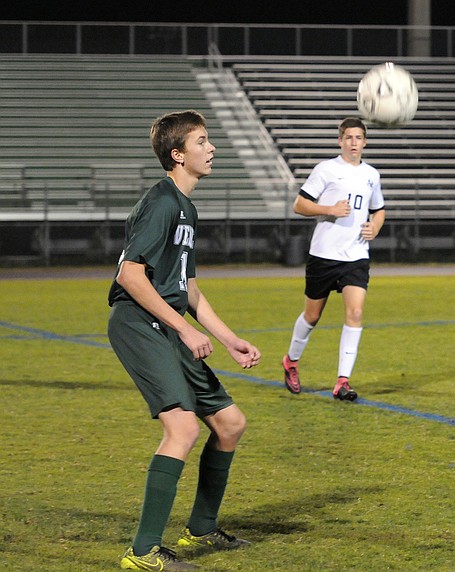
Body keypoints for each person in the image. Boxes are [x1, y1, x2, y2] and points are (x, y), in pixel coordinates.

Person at [108, 110, 261, 571]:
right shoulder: (162, 202)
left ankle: (200, 529)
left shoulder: (185, 206)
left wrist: (229, 338)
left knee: (230, 424)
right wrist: (184, 328)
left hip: (167, 322)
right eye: (201, 141)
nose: (211, 148)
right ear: (177, 155)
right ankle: (142, 552)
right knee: (184, 428)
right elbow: (130, 276)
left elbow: (187, 286)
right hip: (140, 324)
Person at [280, 117, 385, 401]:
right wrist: (330, 209)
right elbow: (299, 204)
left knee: (355, 313)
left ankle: (342, 382)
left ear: (365, 141)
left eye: (358, 137)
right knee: (312, 316)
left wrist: (374, 227)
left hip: (356, 256)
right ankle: (291, 360)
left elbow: (379, 210)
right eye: (348, 137)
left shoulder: (371, 175)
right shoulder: (326, 169)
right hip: (324, 255)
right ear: (340, 141)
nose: (353, 143)